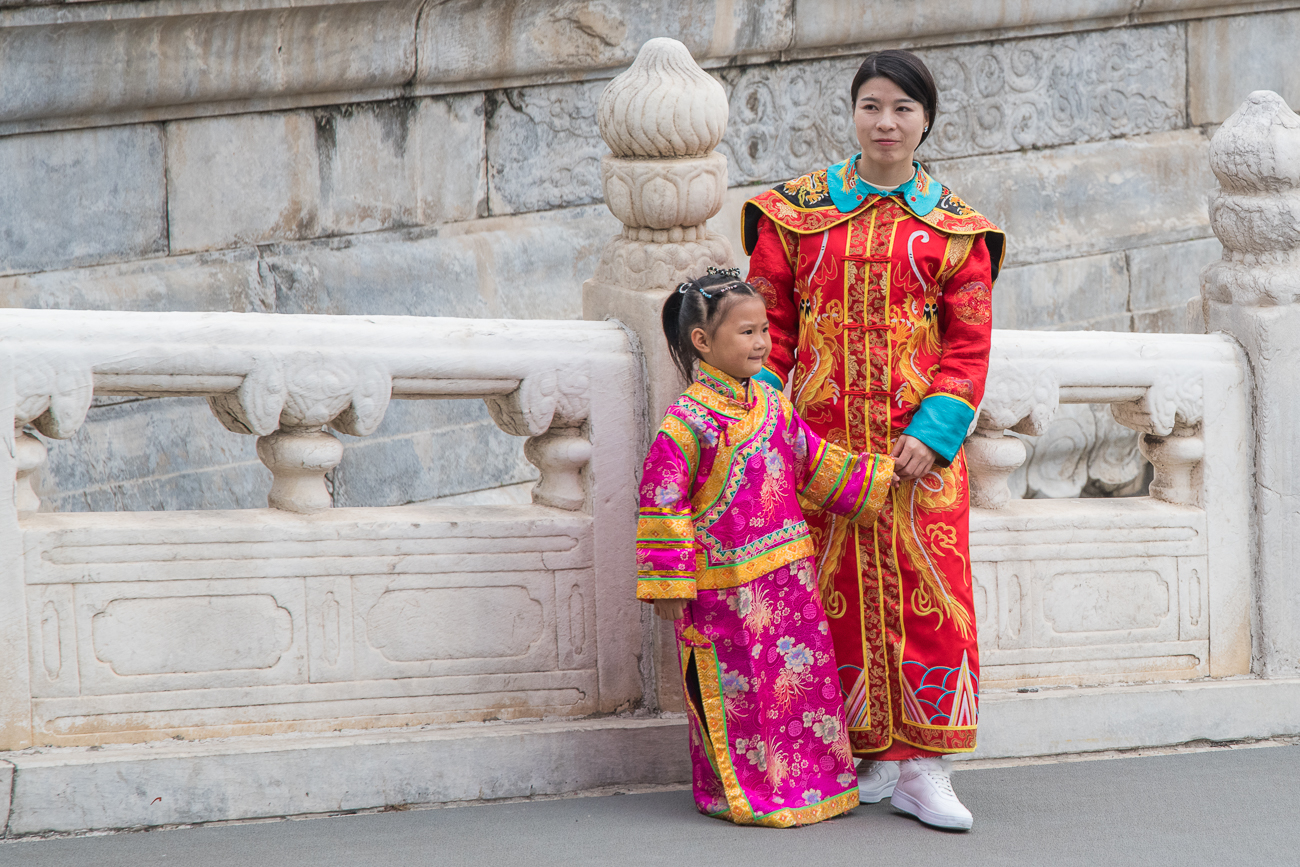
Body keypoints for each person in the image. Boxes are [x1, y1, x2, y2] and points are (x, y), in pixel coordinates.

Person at [741, 49, 1006, 831]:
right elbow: (766, 328)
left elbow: (968, 345)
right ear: (852, 113)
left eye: (902, 109)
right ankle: (849, 757)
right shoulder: (795, 215)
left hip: (919, 461)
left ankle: (925, 765)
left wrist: (937, 430)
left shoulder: (956, 231)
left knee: (935, 602)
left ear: (926, 120)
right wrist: (762, 417)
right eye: (871, 106)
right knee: (825, 603)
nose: (885, 122)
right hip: (819, 452)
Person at [635, 268, 896, 828]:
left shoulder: (773, 406)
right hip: (724, 596)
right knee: (744, 698)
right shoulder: (685, 425)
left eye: (763, 331)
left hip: (790, 585)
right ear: (702, 342)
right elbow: (662, 505)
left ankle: (817, 787)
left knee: (801, 695)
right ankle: (745, 793)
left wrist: (880, 478)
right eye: (746, 333)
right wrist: (670, 587)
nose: (761, 343)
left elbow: (811, 462)